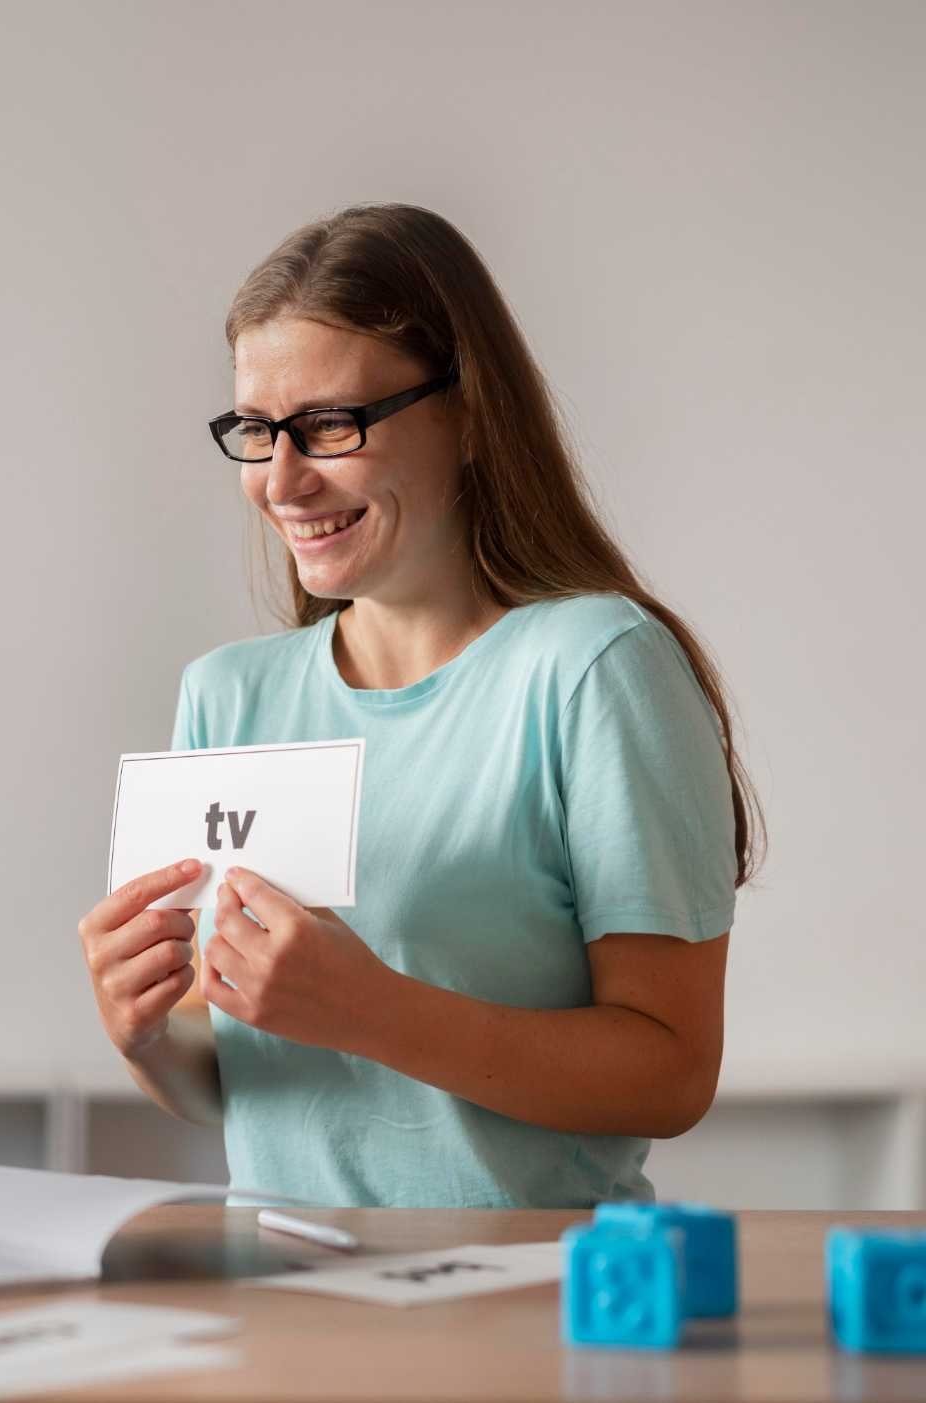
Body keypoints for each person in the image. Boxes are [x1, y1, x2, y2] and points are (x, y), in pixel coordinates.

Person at [77, 203, 761, 1208]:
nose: (281, 480)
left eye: (328, 424)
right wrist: (140, 1031)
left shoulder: (595, 667)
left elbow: (669, 1073)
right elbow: (236, 1085)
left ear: (472, 411)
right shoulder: (225, 695)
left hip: (522, 1315)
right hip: (284, 1318)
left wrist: (372, 1010)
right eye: (258, 432)